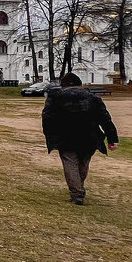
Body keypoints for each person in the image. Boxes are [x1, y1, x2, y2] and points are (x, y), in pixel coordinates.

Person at [41, 73, 118, 205]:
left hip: (65, 136)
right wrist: (112, 138)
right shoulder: (93, 98)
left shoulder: (55, 98)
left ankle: (77, 193)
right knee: (83, 162)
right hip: (90, 137)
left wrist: (49, 134)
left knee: (70, 163)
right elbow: (105, 119)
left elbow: (47, 118)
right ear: (80, 84)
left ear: (63, 85)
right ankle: (78, 187)